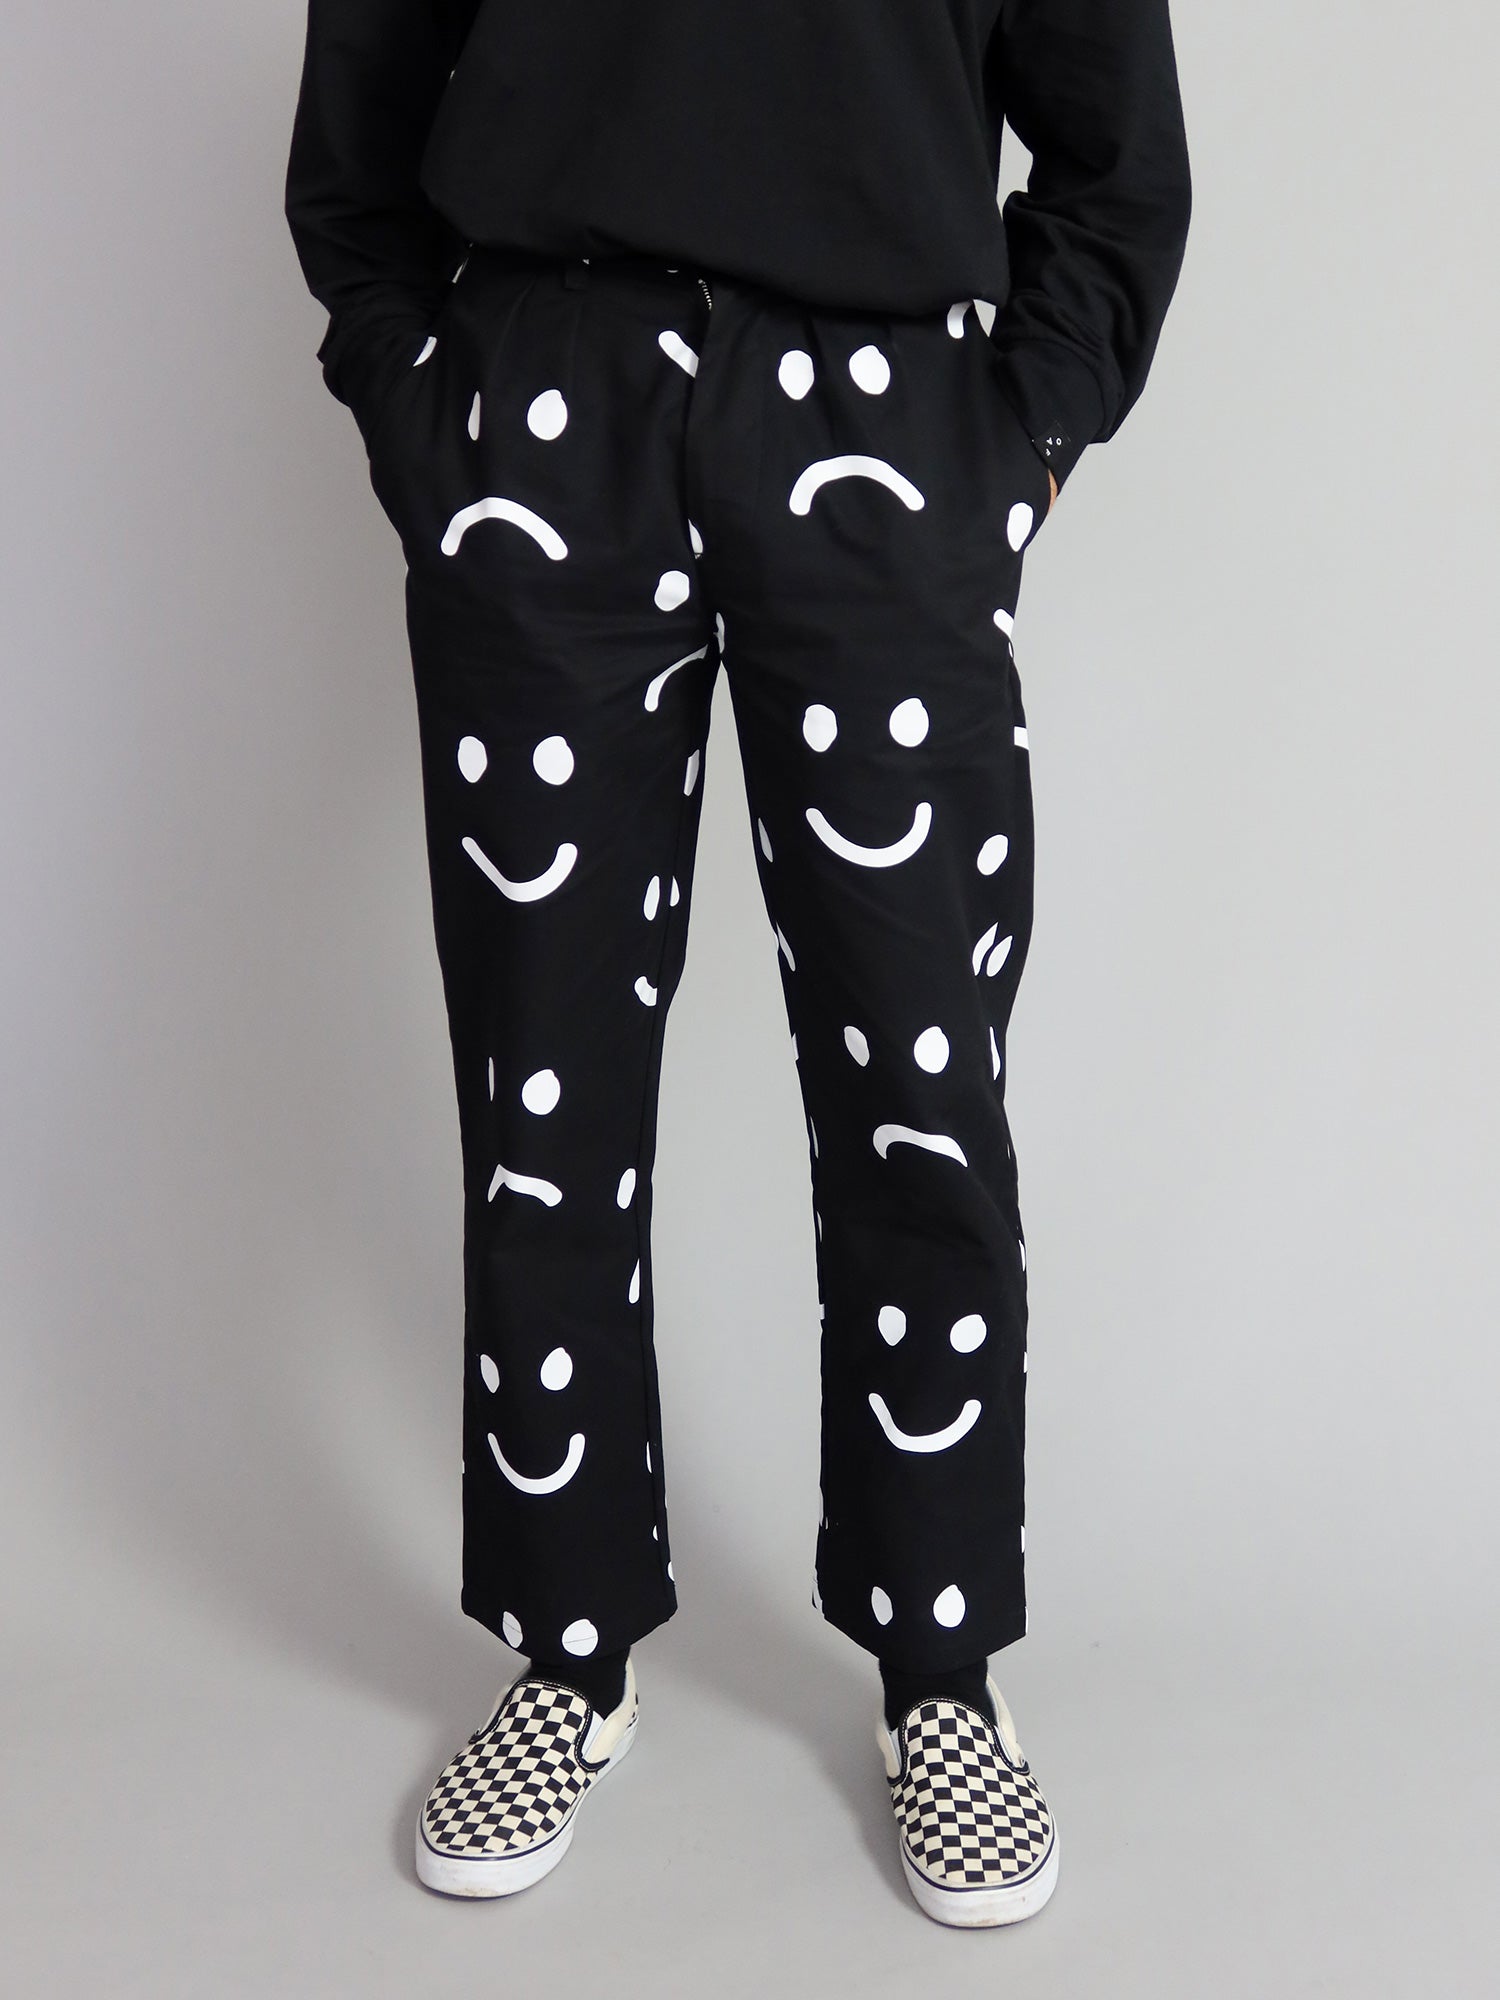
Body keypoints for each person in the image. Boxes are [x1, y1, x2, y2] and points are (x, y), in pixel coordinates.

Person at [284, 0, 1191, 1927]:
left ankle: (940, 1671)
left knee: (919, 1084)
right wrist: (418, 399)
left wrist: (1016, 440)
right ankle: (568, 1645)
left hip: (887, 423)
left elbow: (1118, 159)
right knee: (544, 1089)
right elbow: (360, 114)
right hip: (546, 411)